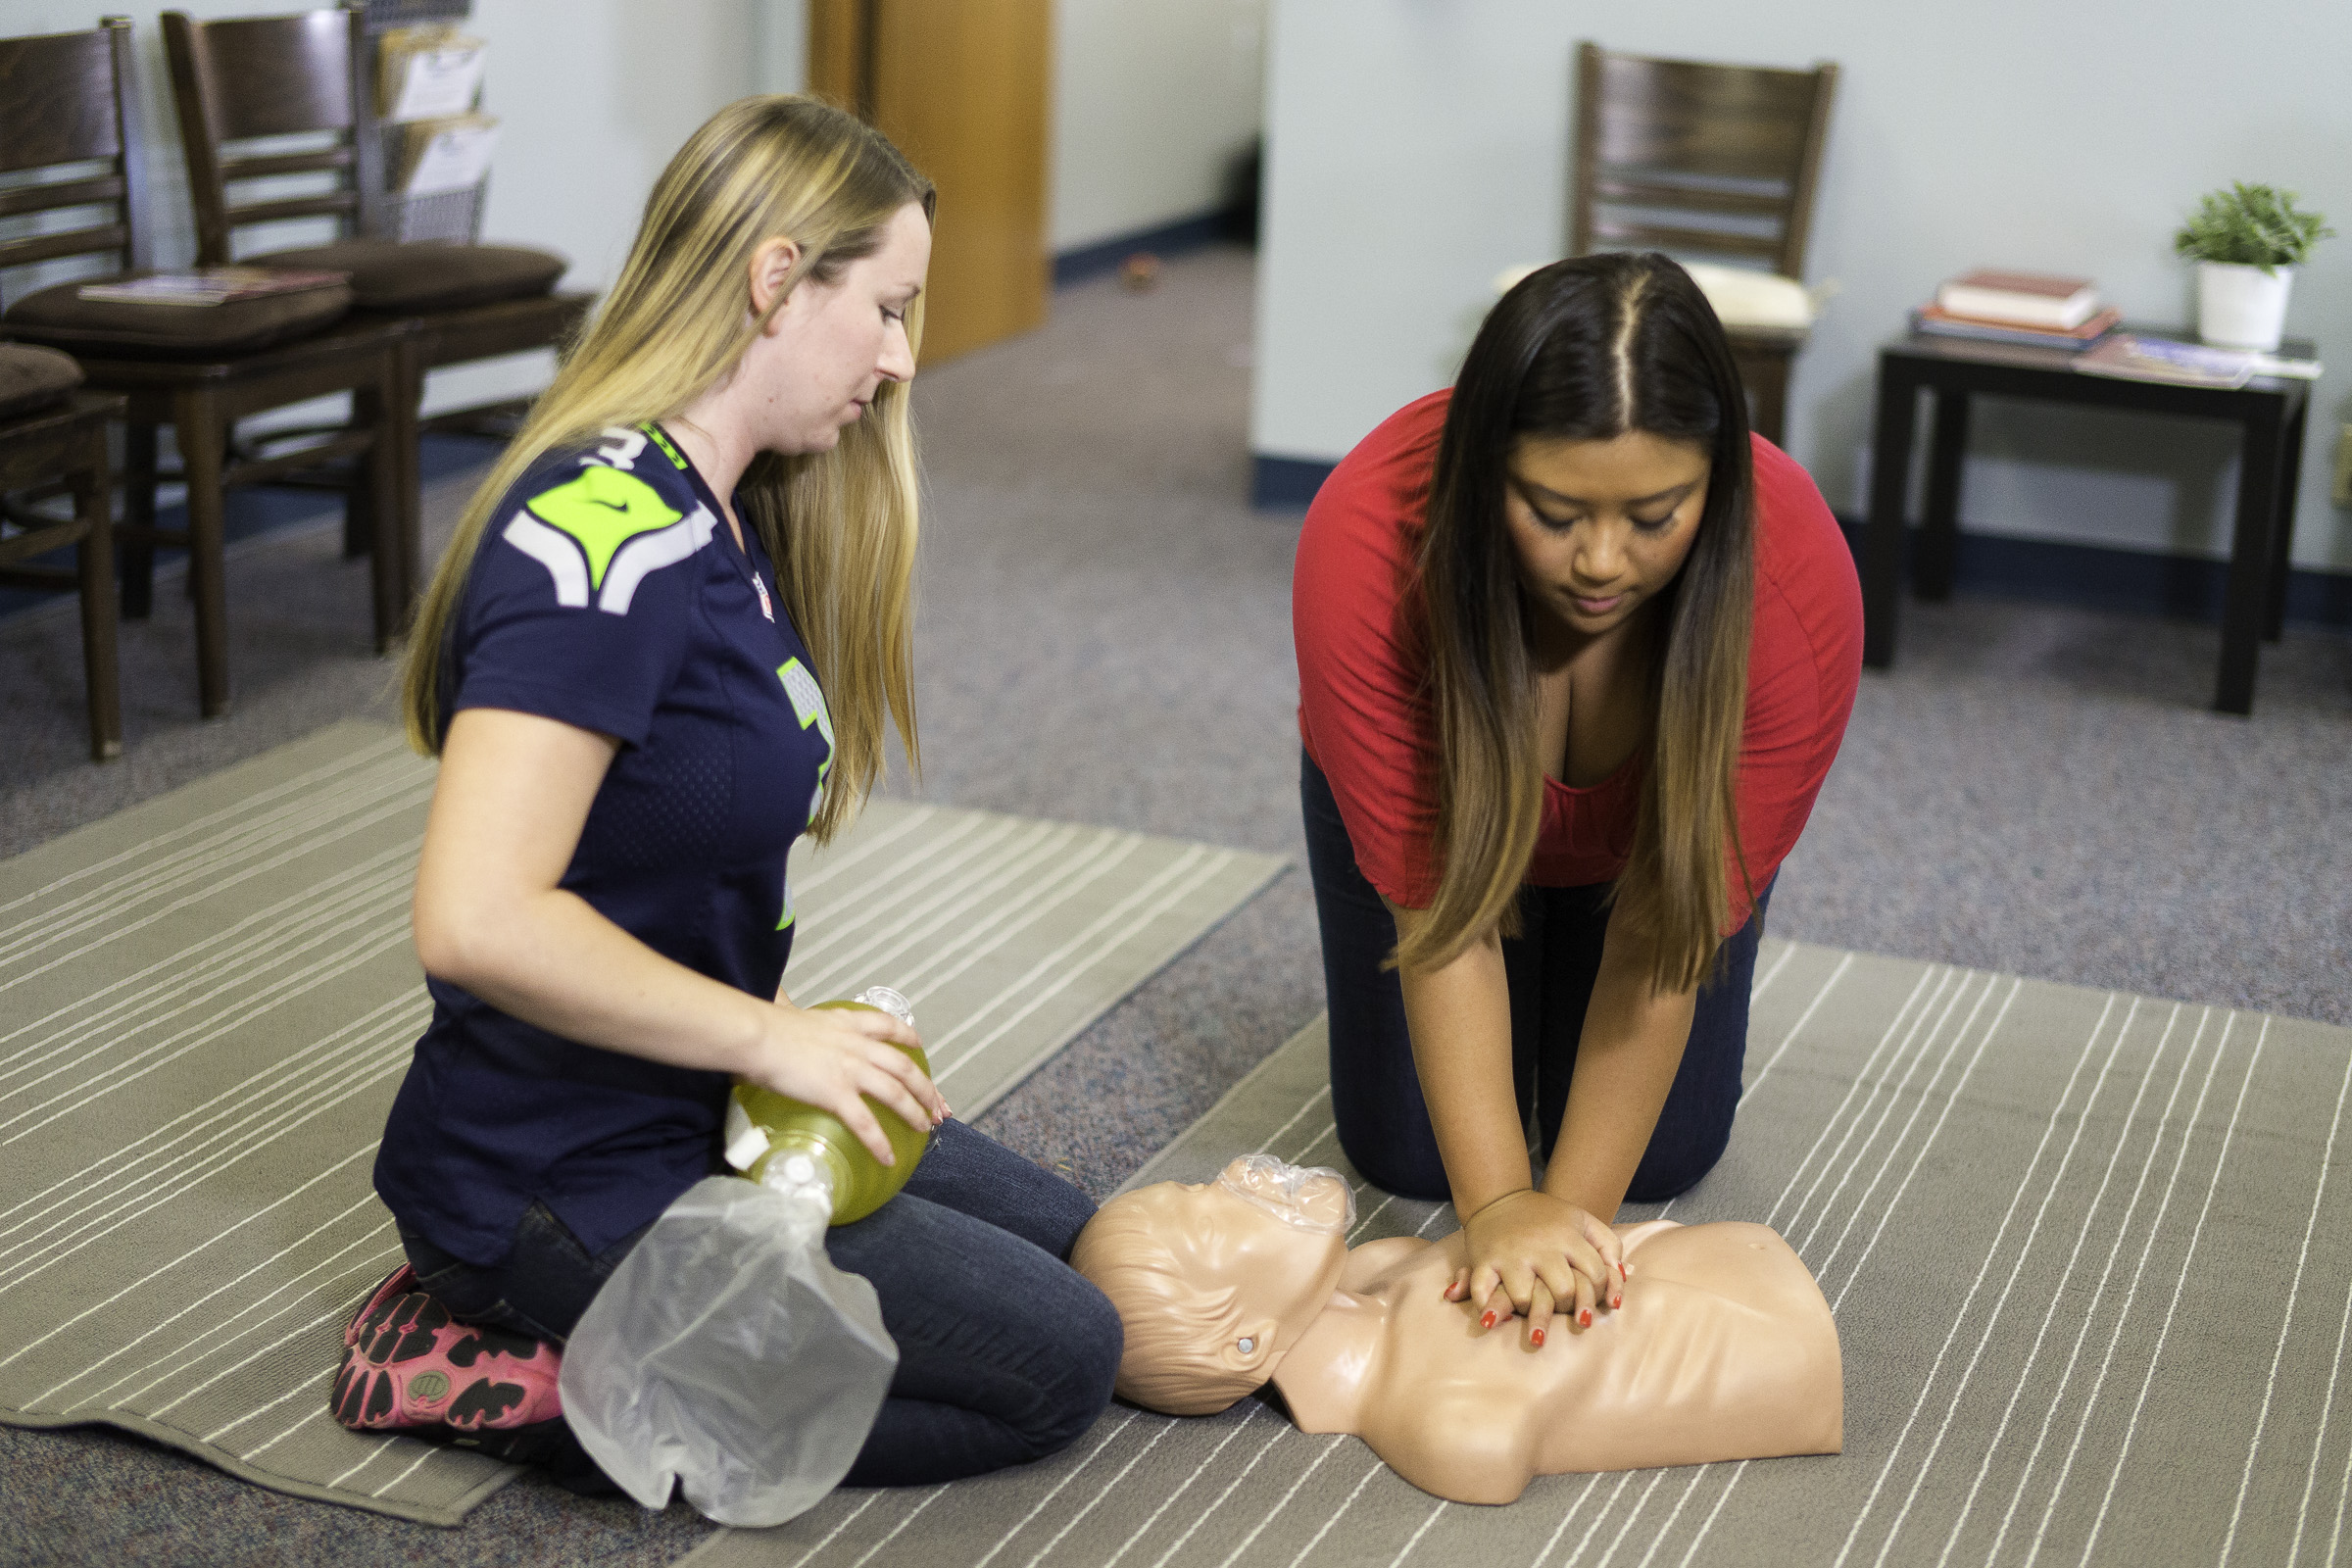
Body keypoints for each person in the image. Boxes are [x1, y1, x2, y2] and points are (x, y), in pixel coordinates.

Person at [352, 96, 1121, 1491]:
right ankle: (510, 1372)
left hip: (690, 1090)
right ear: (776, 277)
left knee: (1075, 1237)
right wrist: (770, 1043)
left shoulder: (727, 509)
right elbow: (473, 918)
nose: (897, 363)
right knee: (1056, 1363)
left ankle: (618, 1319)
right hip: (553, 1167)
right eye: (885, 310)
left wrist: (772, 1045)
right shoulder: (595, 540)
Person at [1292, 252, 1862, 1346]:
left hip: (1649, 866)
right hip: (1447, 864)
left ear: (1717, 483)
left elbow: (1662, 938)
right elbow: (1443, 922)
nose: (1602, 562)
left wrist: (1567, 1228)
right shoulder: (1369, 533)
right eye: (1553, 510)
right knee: (1409, 1160)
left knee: (1661, 1158)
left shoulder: (1795, 584)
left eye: (1657, 514)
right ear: (1483, 469)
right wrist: (1502, 1207)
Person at [1072, 1156, 1841, 1504]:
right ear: (1241, 1342)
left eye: (1201, 1185)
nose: (1238, 1180)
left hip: (1718, 1266)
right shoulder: (1426, 1411)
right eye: (1211, 1219)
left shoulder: (1376, 1269)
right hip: (1786, 1353)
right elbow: (1487, 1460)